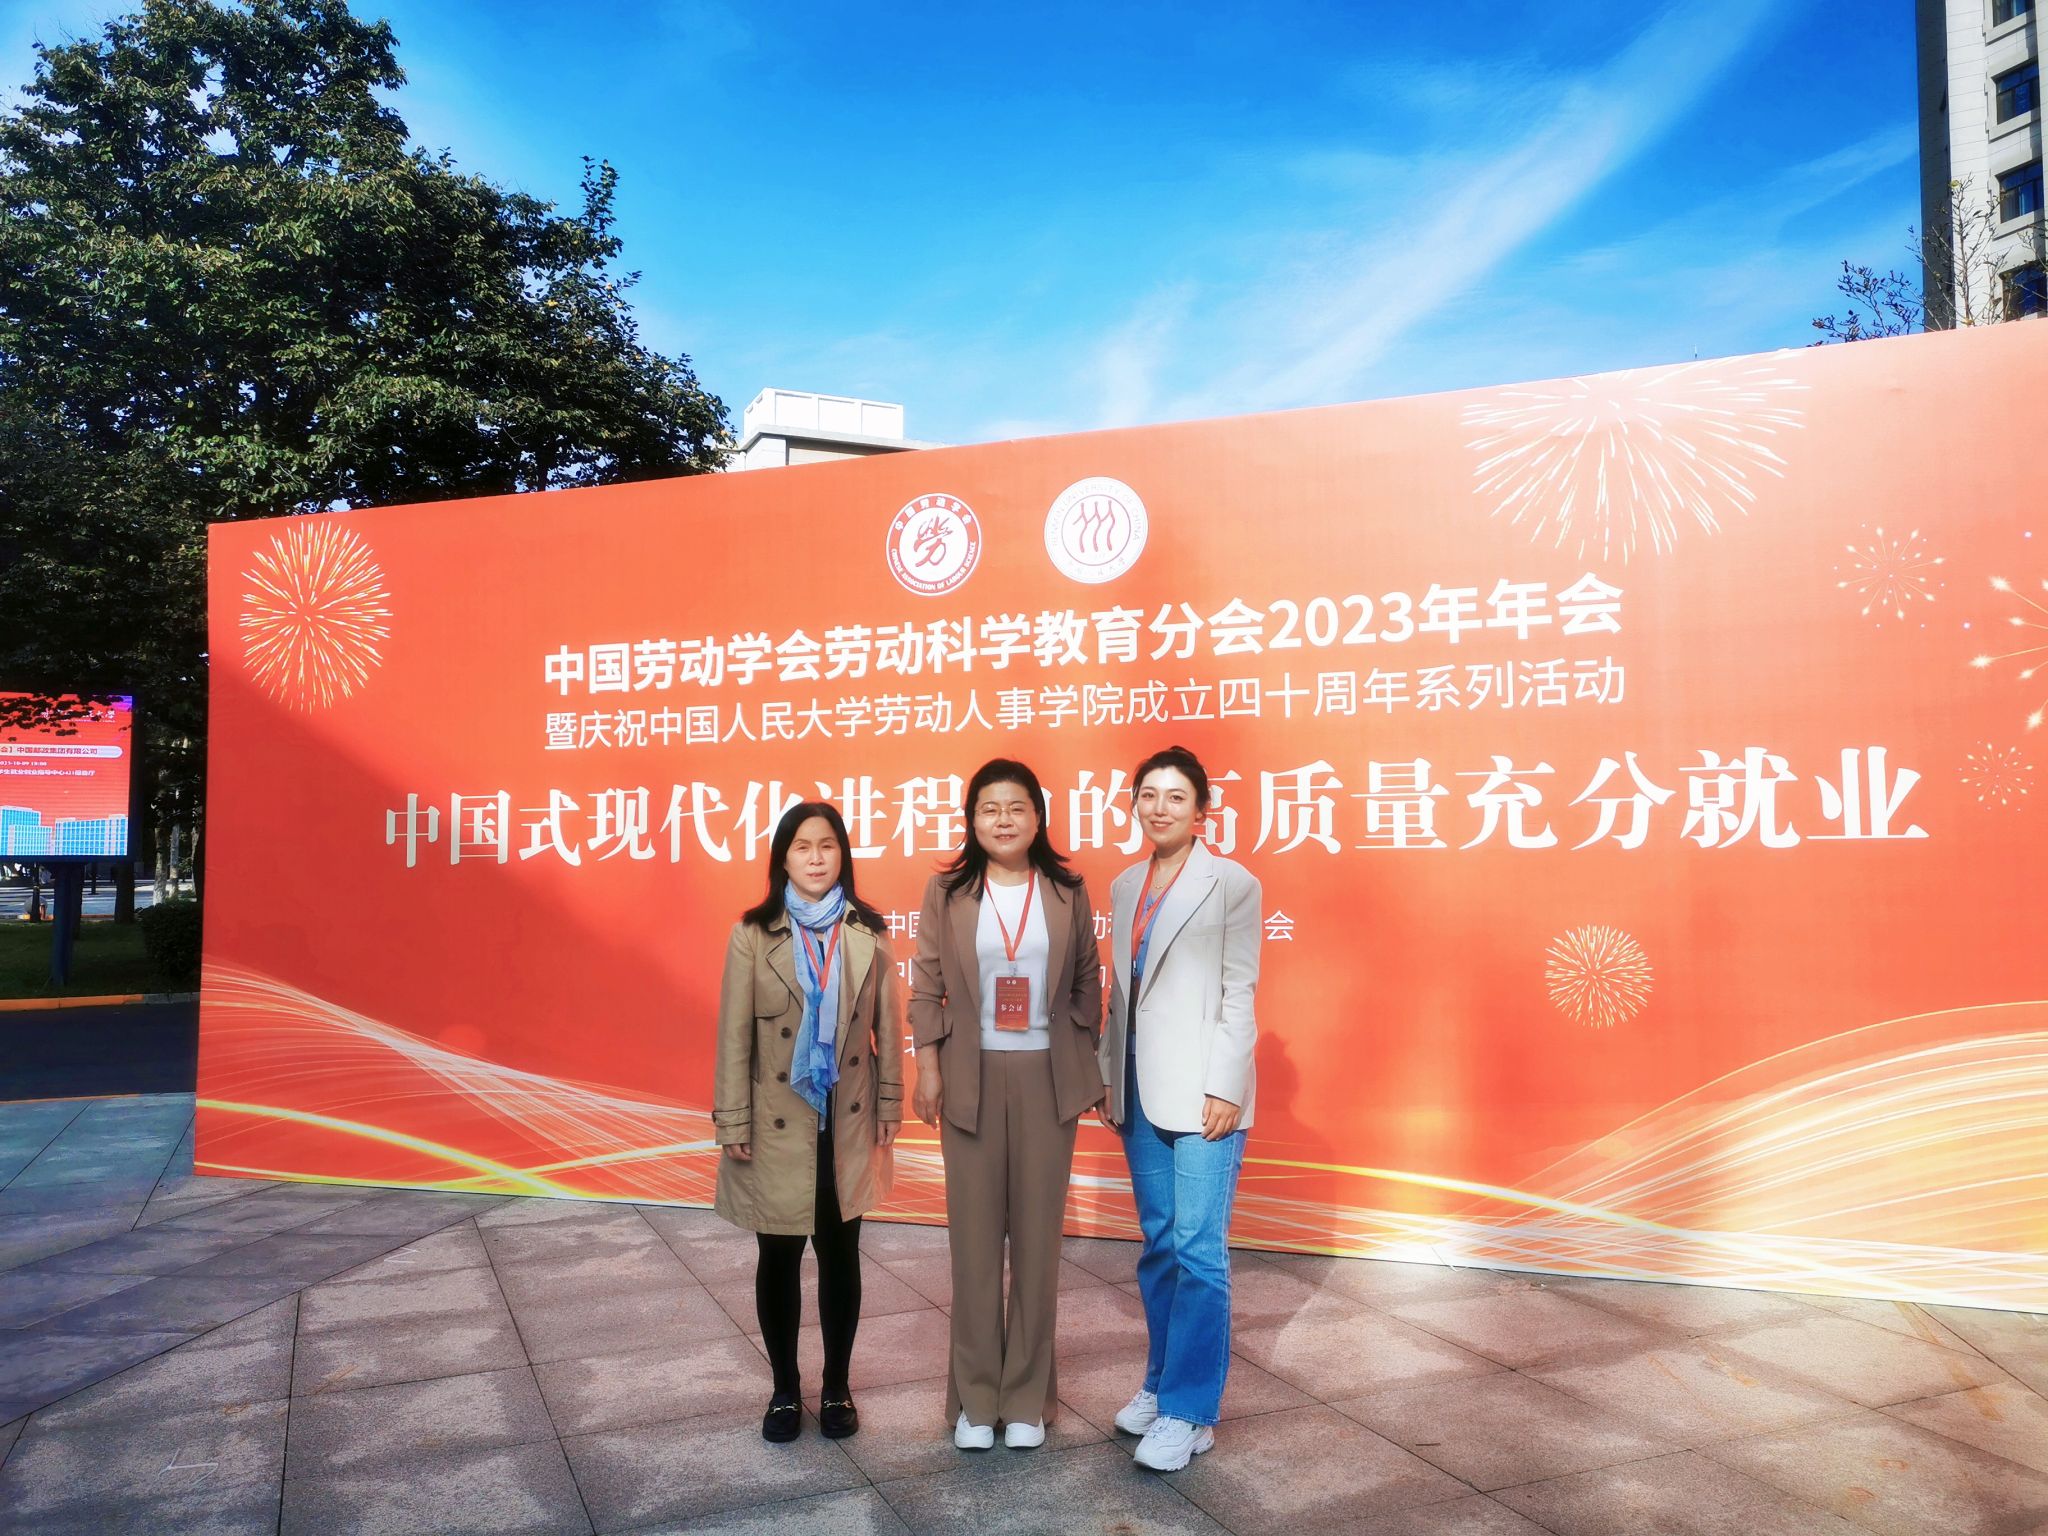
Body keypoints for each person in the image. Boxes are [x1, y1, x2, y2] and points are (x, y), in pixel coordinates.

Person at [909, 759, 1104, 1451]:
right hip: (971, 1077)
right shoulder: (948, 891)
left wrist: (1079, 1051)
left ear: (1037, 817)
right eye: (989, 808)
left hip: (1047, 1079)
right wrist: (928, 1068)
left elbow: (1087, 979)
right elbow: (925, 985)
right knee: (973, 1245)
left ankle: (1025, 1399)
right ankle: (975, 1399)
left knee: (1039, 1244)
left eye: (1016, 807)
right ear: (972, 820)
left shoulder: (1066, 890)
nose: (1003, 819)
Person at [713, 800, 903, 1443]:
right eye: (802, 847)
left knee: (842, 1255)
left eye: (827, 846)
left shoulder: (868, 932)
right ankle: (785, 1391)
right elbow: (734, 1037)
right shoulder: (752, 934)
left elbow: (887, 1031)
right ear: (783, 859)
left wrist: (889, 1104)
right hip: (776, 1123)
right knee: (778, 1257)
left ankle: (838, 1386)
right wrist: (732, 1119)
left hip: (845, 1123)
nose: (816, 858)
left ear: (842, 855)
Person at [1097, 745, 1262, 1472]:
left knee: (1199, 1249)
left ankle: (1191, 1411)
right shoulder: (1125, 884)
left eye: (1175, 796)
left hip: (1203, 1092)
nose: (1158, 808)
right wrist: (1108, 1073)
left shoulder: (1232, 882)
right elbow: (1120, 993)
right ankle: (1161, 1383)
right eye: (1148, 795)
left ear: (1202, 810)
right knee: (1160, 1244)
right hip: (1137, 1084)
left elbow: (1239, 990)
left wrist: (1226, 1086)